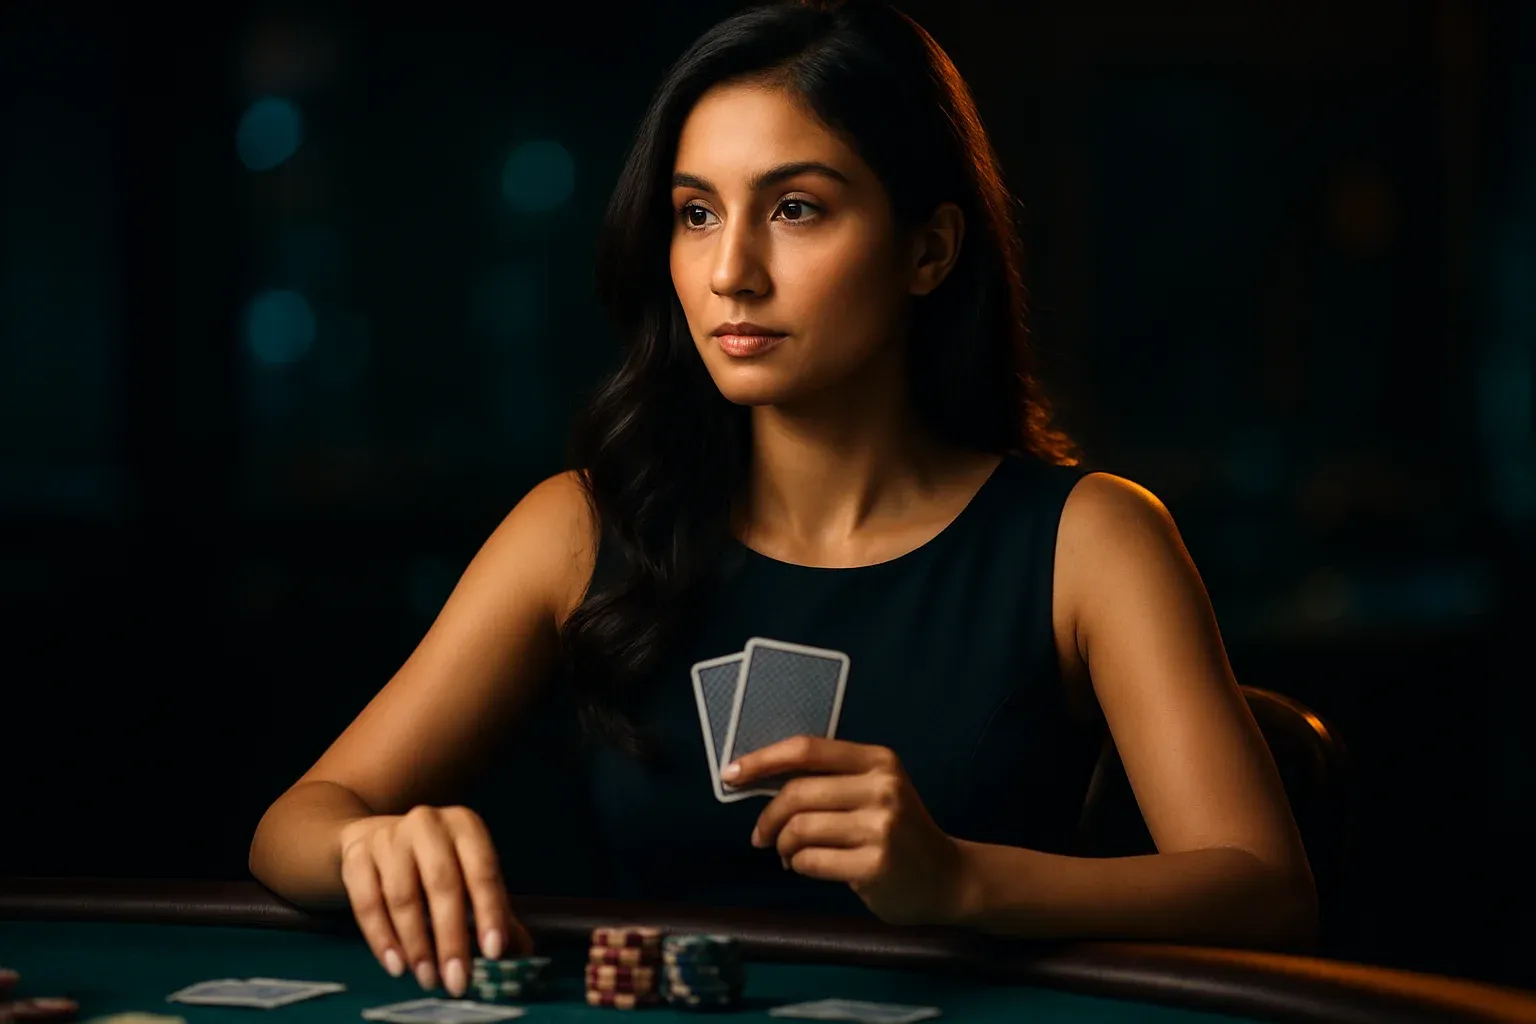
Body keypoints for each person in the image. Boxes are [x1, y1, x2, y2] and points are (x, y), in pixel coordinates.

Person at [249, 0, 1318, 1000]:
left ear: (929, 249)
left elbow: (1268, 890)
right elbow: (295, 822)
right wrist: (368, 845)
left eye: (797, 208)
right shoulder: (580, 528)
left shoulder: (1092, 538)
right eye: (697, 213)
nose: (731, 272)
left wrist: (961, 882)